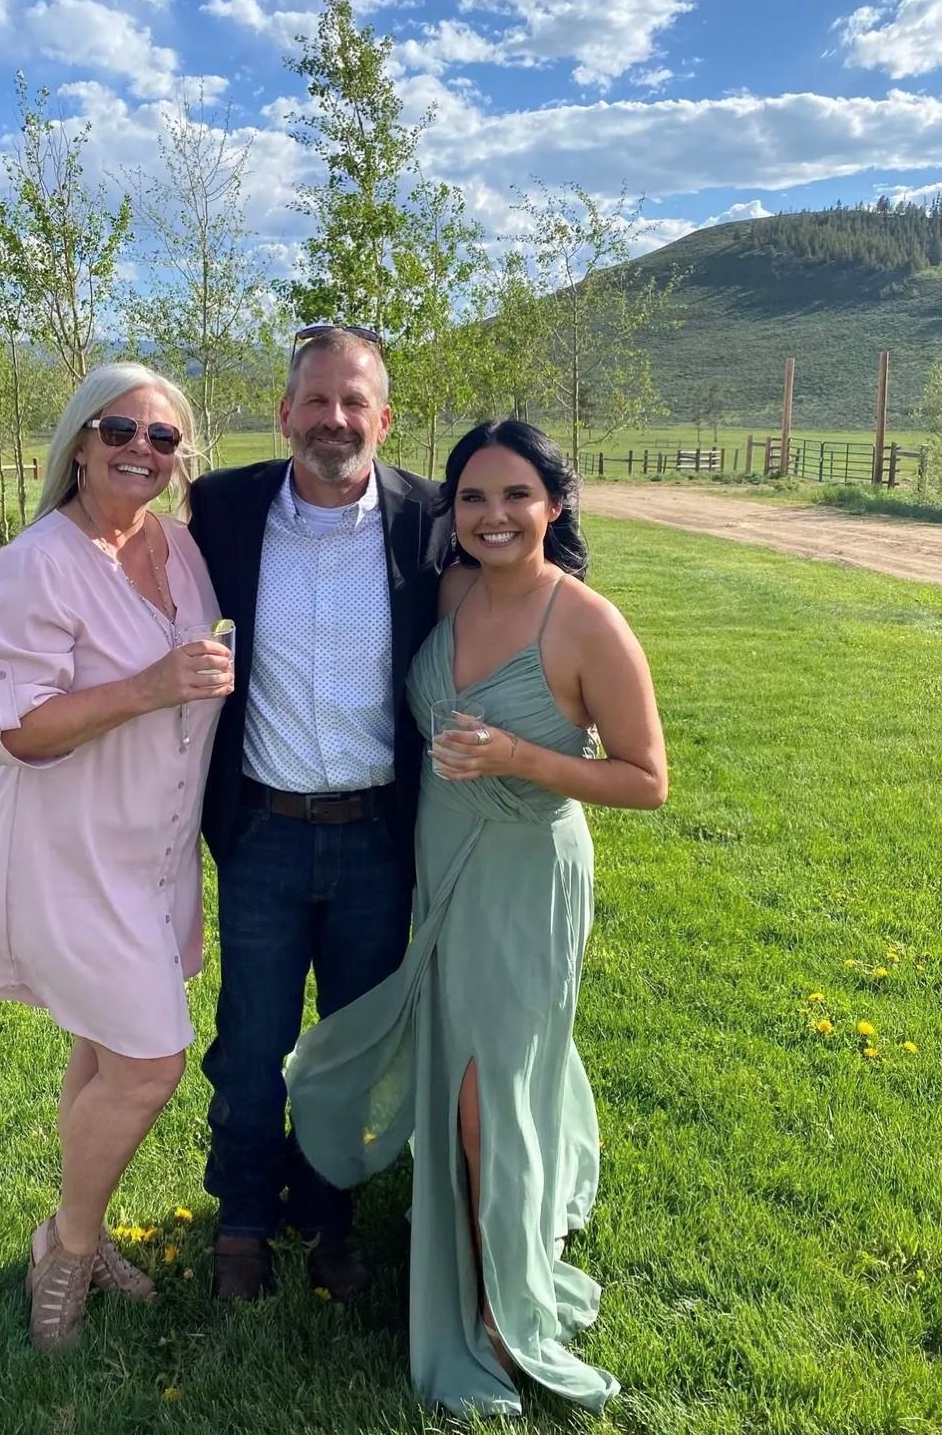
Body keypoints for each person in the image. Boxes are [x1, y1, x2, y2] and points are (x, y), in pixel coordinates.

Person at [287, 418, 668, 1417]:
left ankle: (502, 1305)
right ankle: (481, 1240)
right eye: (471, 497)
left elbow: (647, 780)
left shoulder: (587, 623)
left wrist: (522, 758)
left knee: (484, 1096)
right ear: (451, 513)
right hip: (437, 868)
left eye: (515, 496)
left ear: (553, 505)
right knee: (467, 1069)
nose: (493, 515)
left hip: (522, 880)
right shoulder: (449, 594)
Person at [0, 361, 234, 1352]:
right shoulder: (37, 563)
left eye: (162, 438)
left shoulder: (181, 548)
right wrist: (152, 684)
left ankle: (70, 1229)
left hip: (153, 845)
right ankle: (68, 1251)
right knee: (150, 1060)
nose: (139, 450)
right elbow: (24, 730)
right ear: (79, 441)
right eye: (119, 430)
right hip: (66, 849)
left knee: (104, 1041)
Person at [188, 324, 453, 1302]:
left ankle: (332, 1219)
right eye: (316, 400)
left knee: (351, 1049)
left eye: (355, 404)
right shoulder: (221, 507)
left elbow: (548, 530)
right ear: (284, 412)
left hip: (381, 839)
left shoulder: (429, 518)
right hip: (262, 831)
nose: (334, 420)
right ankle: (245, 1224)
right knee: (251, 1045)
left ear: (384, 419)